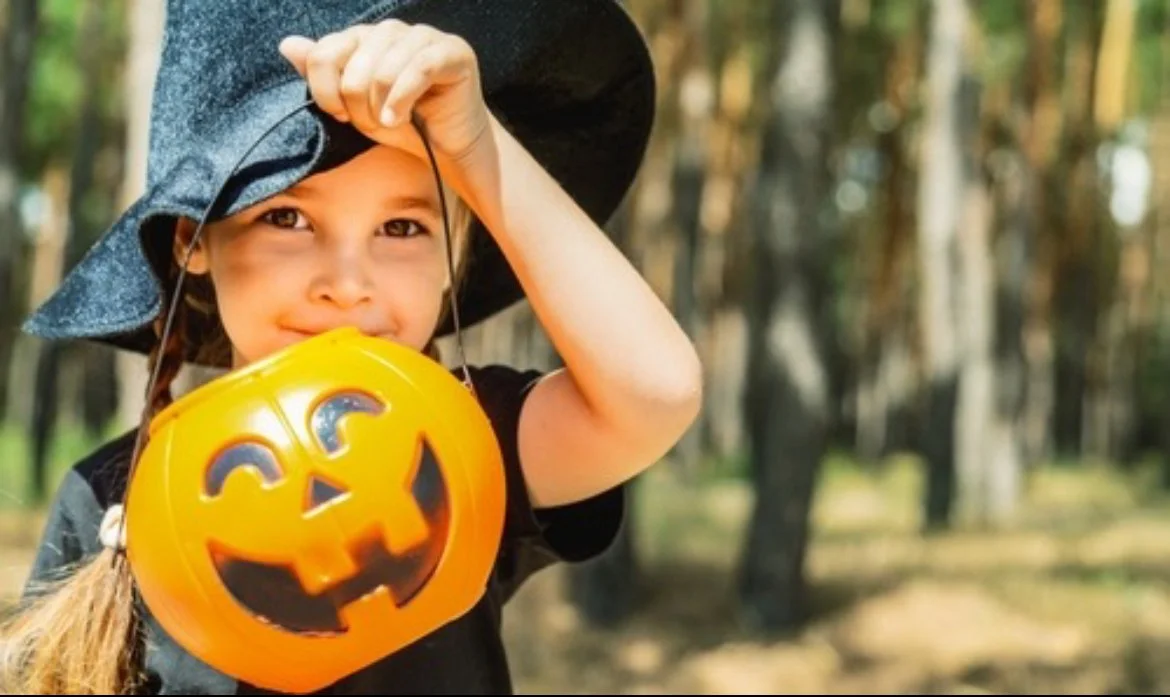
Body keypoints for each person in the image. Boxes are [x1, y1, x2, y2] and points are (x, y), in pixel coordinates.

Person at [0, 0, 702, 694]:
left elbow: (656, 392)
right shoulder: (106, 501)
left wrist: (475, 146)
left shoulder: (466, 440)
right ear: (194, 238)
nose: (347, 284)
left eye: (402, 229)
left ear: (457, 255)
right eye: (288, 216)